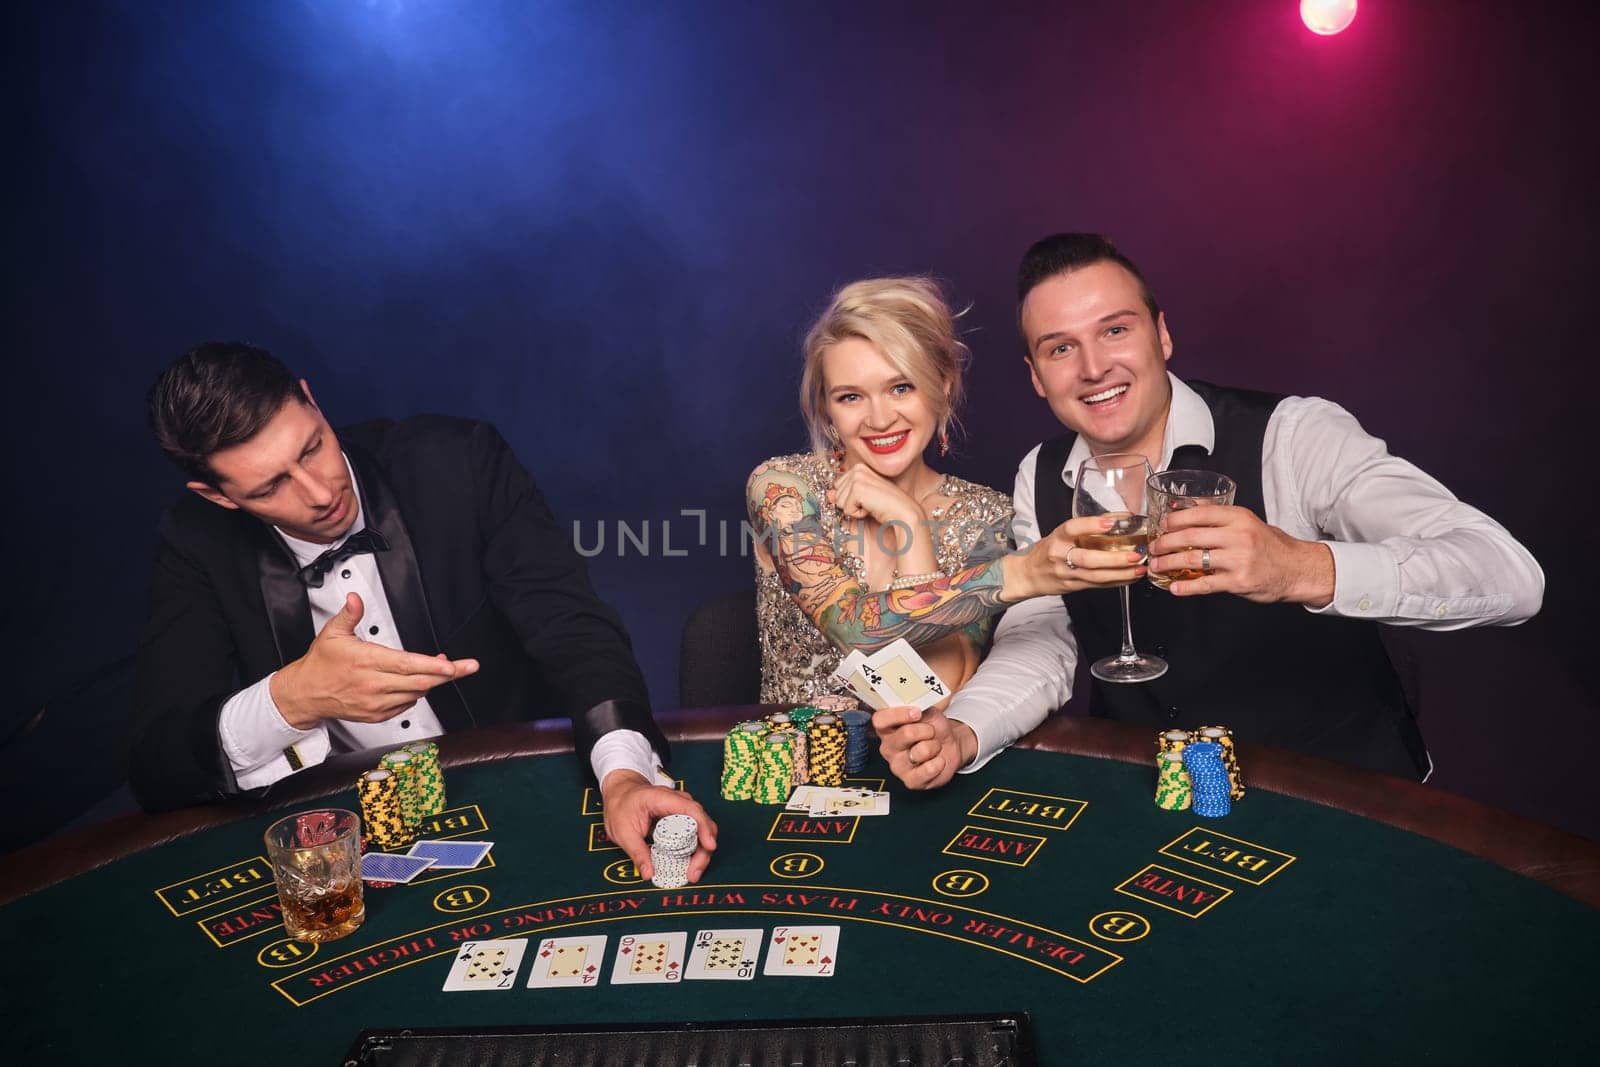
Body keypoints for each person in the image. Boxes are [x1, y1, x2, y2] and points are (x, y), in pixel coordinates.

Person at [875, 233, 1544, 787]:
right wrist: (966, 730)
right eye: (1060, 348)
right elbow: (1042, 640)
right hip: (1158, 805)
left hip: (1345, 800)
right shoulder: (1041, 474)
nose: (1093, 366)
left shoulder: (1293, 435)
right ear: (1036, 375)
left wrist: (1302, 567)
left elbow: (1511, 577)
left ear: (1162, 335)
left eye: (1115, 329)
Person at [133, 342, 715, 882]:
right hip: (347, 839)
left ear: (311, 399)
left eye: (312, 447)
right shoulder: (196, 543)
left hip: (518, 792)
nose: (317, 492)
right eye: (269, 488)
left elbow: (574, 629)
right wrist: (294, 698)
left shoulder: (457, 462)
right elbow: (160, 764)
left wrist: (623, 775)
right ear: (218, 497)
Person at [747, 276, 1123, 708]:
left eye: (901, 387)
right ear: (828, 409)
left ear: (942, 385)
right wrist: (1019, 574)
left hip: (923, 765)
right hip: (792, 764)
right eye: (850, 397)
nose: (879, 418)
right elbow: (849, 628)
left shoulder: (990, 517)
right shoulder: (782, 489)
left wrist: (909, 524)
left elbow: (930, 696)